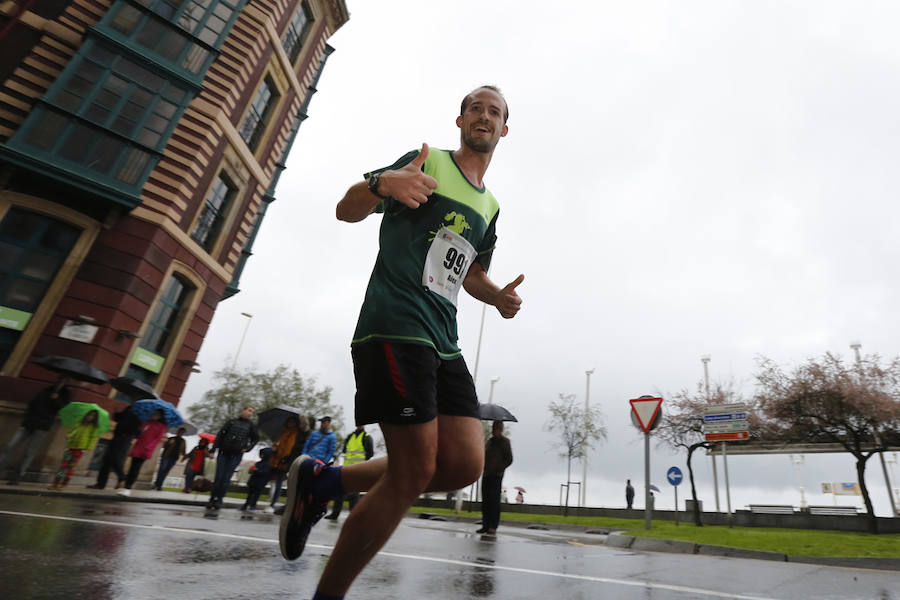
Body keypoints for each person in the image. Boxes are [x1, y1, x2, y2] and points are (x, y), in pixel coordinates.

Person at [278, 85, 523, 600]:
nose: (484, 115)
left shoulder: (491, 205)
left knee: (463, 466)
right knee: (412, 470)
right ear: (460, 120)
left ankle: (325, 483)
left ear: (505, 129)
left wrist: (496, 296)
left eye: (494, 112)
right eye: (475, 107)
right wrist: (382, 183)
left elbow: (470, 272)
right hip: (394, 325)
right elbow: (347, 209)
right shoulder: (425, 160)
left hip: (443, 341)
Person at [0, 380, 71, 483]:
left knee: (29, 452)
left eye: (65, 378)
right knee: (11, 446)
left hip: (42, 427)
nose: (61, 380)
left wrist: (56, 400)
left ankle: (19, 475)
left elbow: (63, 409)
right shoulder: (46, 390)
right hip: (28, 423)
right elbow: (32, 403)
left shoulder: (65, 394)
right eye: (61, 377)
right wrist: (28, 416)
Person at [207, 406, 258, 510]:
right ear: (243, 410)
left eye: (252, 412)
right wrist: (213, 450)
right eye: (249, 410)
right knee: (219, 477)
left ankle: (219, 500)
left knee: (226, 478)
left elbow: (255, 439)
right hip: (223, 452)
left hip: (236, 455)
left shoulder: (251, 426)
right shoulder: (231, 422)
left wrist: (247, 448)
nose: (250, 413)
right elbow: (220, 435)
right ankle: (212, 499)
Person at [324, 425, 374, 520]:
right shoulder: (350, 436)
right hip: (347, 467)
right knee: (340, 489)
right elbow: (344, 450)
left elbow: (370, 453)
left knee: (354, 493)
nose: (360, 425)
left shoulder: (366, 437)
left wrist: (361, 463)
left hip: (359, 468)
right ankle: (335, 514)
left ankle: (353, 516)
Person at [88, 406, 141, 489]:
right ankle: (101, 483)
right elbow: (119, 419)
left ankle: (122, 477)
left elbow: (134, 429)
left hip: (122, 438)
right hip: (121, 438)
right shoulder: (133, 411)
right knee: (107, 460)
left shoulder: (136, 413)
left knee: (113, 459)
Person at [48, 409, 100, 490]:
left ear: (95, 418)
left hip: (80, 449)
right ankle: (55, 483)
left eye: (93, 416)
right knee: (63, 466)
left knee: (71, 467)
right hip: (70, 447)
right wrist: (68, 436)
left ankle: (64, 484)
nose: (90, 417)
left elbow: (93, 439)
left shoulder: (93, 428)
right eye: (89, 415)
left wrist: (88, 448)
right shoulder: (79, 423)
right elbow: (70, 432)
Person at [118, 409, 167, 496]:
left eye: (157, 414)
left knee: (136, 468)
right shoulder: (146, 423)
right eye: (154, 413)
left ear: (160, 416)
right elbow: (138, 434)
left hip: (146, 449)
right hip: (138, 446)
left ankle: (128, 487)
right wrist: (138, 432)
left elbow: (158, 439)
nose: (154, 415)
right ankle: (125, 485)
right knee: (132, 467)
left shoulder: (161, 426)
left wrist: (149, 447)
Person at [477, 421, 513, 535]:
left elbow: (509, 459)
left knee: (494, 501)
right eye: (493, 429)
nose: (494, 431)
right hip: (487, 474)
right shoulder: (490, 442)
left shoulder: (505, 442)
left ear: (501, 429)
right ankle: (485, 525)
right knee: (486, 501)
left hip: (497, 475)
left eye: (496, 429)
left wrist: (499, 468)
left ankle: (493, 526)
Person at [267, 416, 304, 511]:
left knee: (279, 483)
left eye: (293, 422)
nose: (290, 423)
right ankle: (270, 501)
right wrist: (274, 449)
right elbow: (277, 443)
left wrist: (286, 457)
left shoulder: (295, 434)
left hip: (284, 461)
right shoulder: (283, 433)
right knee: (272, 482)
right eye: (289, 421)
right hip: (275, 460)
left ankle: (273, 503)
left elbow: (290, 448)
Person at [240, 447, 273, 512]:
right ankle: (246, 505)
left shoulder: (268, 464)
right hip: (253, 482)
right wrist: (252, 470)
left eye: (262, 454)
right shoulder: (259, 463)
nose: (261, 456)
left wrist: (256, 470)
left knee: (256, 495)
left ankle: (252, 505)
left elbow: (265, 472)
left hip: (260, 483)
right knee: (250, 494)